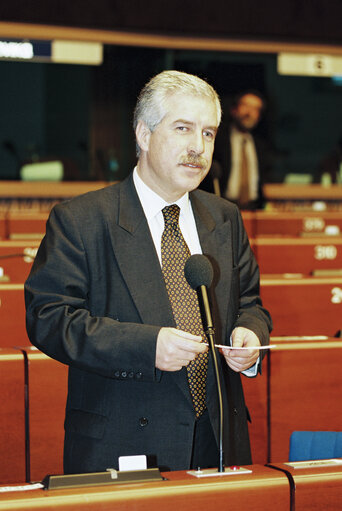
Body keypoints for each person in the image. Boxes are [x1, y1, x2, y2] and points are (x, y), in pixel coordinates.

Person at [24, 70, 272, 475]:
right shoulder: (82, 219)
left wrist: (250, 337)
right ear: (143, 134)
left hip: (219, 443)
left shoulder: (225, 218)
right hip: (123, 442)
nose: (198, 147)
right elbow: (49, 319)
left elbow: (250, 304)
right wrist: (147, 346)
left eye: (208, 133)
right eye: (183, 128)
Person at [202, 90, 272, 209]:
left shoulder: (261, 146)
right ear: (234, 110)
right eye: (245, 106)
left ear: (259, 116)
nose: (249, 113)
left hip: (253, 209)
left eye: (255, 109)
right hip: (222, 206)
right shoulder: (217, 140)